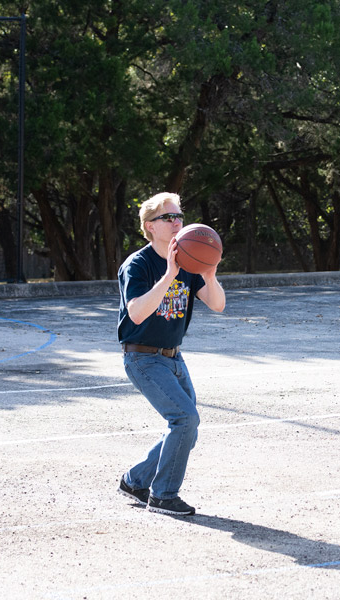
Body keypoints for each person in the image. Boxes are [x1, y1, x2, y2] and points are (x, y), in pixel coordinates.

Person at [116, 192, 225, 516]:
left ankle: (136, 481)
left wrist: (209, 273)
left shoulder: (192, 261)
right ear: (150, 226)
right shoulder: (138, 265)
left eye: (179, 216)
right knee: (184, 420)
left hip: (174, 357)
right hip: (143, 357)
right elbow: (136, 313)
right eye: (169, 217)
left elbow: (218, 304)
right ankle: (163, 495)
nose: (178, 221)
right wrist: (168, 275)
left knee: (185, 430)